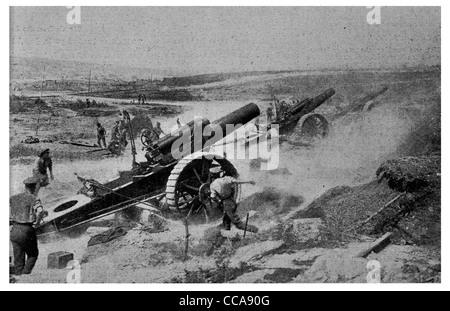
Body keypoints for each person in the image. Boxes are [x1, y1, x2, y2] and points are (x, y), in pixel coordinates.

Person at [10, 177, 47, 276]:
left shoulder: (13, 197)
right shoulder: (34, 198)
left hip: (14, 229)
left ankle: (18, 275)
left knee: (18, 257)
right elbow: (40, 211)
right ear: (34, 187)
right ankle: (26, 275)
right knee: (33, 254)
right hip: (27, 230)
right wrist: (38, 222)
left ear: (25, 186)